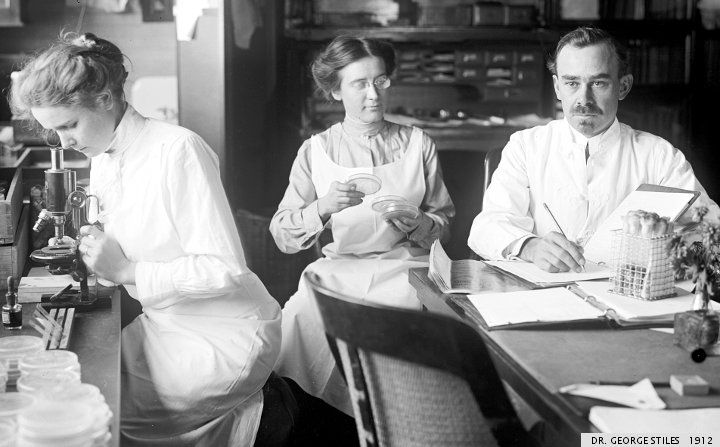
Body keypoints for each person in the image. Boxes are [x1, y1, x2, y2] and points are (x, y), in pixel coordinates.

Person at [9, 32, 281, 446]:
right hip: (164, 324)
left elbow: (224, 269)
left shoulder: (177, 149)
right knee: (73, 383)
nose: (65, 143)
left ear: (104, 98)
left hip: (222, 334)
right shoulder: (103, 156)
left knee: (98, 413)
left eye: (68, 125)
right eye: (54, 132)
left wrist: (126, 270)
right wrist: (98, 252)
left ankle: (259, 423)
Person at [270, 35, 455, 415]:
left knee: (400, 324)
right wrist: (321, 208)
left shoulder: (418, 143)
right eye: (360, 84)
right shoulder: (315, 151)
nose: (374, 94)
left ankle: (398, 421)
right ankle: (325, 422)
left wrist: (420, 222)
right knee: (299, 318)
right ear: (336, 91)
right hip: (339, 269)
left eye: (380, 80)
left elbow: (445, 224)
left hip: (407, 270)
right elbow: (282, 235)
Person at [468, 26, 720, 272]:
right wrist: (530, 247)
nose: (583, 99)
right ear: (557, 87)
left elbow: (712, 231)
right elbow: (486, 228)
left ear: (623, 87)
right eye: (571, 83)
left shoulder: (659, 156)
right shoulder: (526, 146)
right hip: (543, 293)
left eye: (598, 83)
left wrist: (668, 247)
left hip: (627, 293)